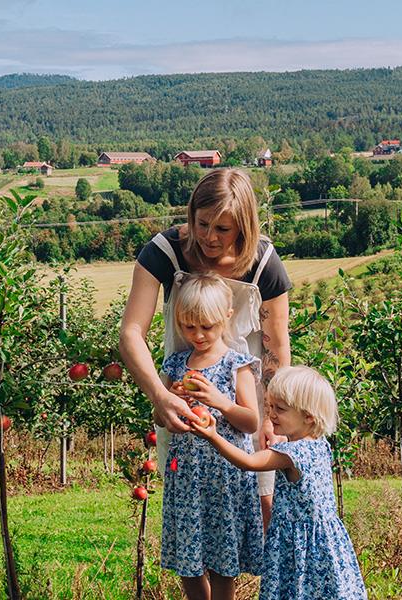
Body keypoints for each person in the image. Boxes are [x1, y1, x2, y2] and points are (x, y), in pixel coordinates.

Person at [118, 168, 293, 526]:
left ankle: (256, 585)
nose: (209, 238)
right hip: (186, 404)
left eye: (223, 229)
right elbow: (131, 332)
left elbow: (276, 352)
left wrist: (275, 417)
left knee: (262, 512)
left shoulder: (264, 263)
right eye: (202, 224)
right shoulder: (165, 251)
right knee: (190, 517)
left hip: (245, 409)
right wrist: (160, 396)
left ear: (244, 226)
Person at [190, 366, 367, 600]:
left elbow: (248, 462)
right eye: (270, 406)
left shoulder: (290, 454)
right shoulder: (319, 444)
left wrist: (213, 436)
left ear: (308, 416)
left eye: (280, 409)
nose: (271, 415)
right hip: (323, 540)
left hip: (297, 545)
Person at [158, 273, 263, 600]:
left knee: (222, 565)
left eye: (207, 326)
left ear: (227, 317)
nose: (198, 335)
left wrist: (220, 401)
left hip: (224, 481)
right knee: (188, 566)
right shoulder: (176, 364)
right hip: (187, 478)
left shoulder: (236, 365)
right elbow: (159, 417)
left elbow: (251, 421)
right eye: (189, 327)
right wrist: (171, 404)